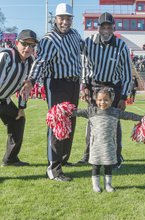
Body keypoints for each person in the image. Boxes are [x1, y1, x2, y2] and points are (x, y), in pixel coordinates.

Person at [21, 3, 84, 181]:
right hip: (57, 84)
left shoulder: (75, 34)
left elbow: (83, 50)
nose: (65, 21)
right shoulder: (49, 39)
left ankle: (63, 159)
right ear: (55, 19)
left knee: (70, 122)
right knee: (57, 123)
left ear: (72, 19)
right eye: (62, 18)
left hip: (73, 83)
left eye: (68, 18)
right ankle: (53, 168)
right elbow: (40, 62)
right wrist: (31, 80)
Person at [78, 12, 132, 168]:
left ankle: (116, 157)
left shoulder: (121, 45)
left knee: (113, 123)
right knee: (92, 123)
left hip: (113, 88)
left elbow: (127, 74)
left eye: (109, 27)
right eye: (103, 27)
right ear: (98, 28)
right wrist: (84, 86)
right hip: (94, 86)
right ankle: (88, 154)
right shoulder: (89, 43)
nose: (106, 30)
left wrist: (123, 97)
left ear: (113, 28)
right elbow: (84, 66)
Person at [73, 87, 142, 192]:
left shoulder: (115, 112)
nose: (102, 102)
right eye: (100, 100)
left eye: (106, 100)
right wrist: (65, 112)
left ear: (111, 100)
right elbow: (77, 112)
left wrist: (142, 118)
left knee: (108, 165)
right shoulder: (91, 111)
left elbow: (129, 115)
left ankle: (108, 185)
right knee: (95, 166)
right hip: (95, 145)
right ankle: (95, 185)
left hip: (109, 144)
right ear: (96, 100)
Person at [0, 29, 38, 166]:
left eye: (32, 45)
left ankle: (10, 159)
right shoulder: (6, 55)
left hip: (4, 101)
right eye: (25, 44)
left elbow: (25, 89)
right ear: (16, 43)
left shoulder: (30, 62)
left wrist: (21, 107)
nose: (28, 48)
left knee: (18, 120)